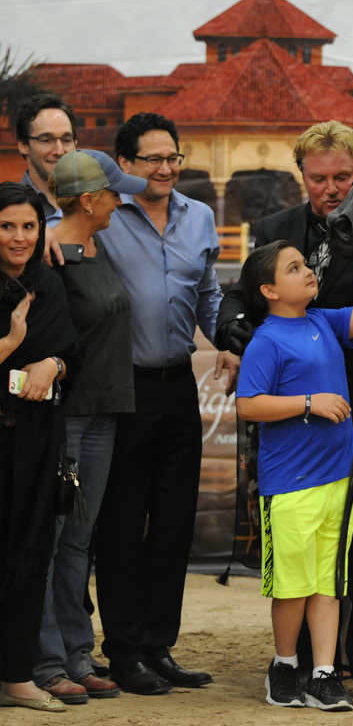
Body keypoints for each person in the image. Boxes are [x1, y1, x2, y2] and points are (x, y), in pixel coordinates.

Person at [216, 120, 353, 703]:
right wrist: (242, 339)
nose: (332, 188)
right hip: (297, 415)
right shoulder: (272, 231)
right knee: (305, 541)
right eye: (319, 178)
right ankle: (311, 663)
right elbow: (237, 298)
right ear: (303, 177)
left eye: (343, 175)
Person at [81, 113, 240, 695]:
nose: (167, 168)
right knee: (122, 523)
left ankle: (158, 645)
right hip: (120, 388)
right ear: (124, 164)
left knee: (174, 522)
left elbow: (208, 293)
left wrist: (225, 340)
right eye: (152, 159)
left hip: (180, 387)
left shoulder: (199, 215)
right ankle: (123, 651)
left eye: (173, 157)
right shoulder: (102, 215)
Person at [235, 236, 353, 711]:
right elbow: (248, 405)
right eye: (293, 268)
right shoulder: (266, 340)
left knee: (329, 582)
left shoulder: (323, 320)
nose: (307, 272)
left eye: (305, 265)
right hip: (289, 484)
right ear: (270, 291)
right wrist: (308, 403)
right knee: (292, 585)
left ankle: (323, 674)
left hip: (339, 477)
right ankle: (283, 666)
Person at [32, 150, 146, 705]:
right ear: (88, 200)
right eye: (112, 192)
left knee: (78, 540)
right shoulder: (51, 255)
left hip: (104, 412)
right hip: (68, 416)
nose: (121, 200)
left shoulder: (98, 247)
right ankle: (48, 659)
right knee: (54, 541)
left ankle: (77, 654)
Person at [0, 182, 81, 713]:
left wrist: (53, 364)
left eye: (29, 226)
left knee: (29, 555)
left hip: (33, 442)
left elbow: (66, 352)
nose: (19, 237)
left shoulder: (47, 284)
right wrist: (9, 345)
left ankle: (15, 675)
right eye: (6, 225)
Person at [16, 93, 78, 221]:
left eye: (66, 140)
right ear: (23, 145)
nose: (59, 151)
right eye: (46, 140)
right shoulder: (7, 208)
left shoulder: (96, 204)